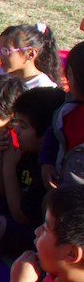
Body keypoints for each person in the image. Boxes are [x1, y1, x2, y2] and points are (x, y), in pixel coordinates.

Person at [0, 87, 66, 261]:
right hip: (15, 204)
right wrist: (2, 159)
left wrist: (10, 166)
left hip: (32, 225)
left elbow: (21, 216)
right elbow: (1, 189)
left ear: (46, 136)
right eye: (17, 123)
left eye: (23, 126)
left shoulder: (47, 168)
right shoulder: (27, 149)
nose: (17, 130)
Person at [40, 41, 84, 191]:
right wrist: (46, 163)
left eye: (69, 75)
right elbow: (53, 134)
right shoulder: (69, 108)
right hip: (60, 190)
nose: (67, 80)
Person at [0, 23, 61, 89]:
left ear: (30, 54)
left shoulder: (44, 88)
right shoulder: (0, 73)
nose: (0, 56)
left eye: (6, 50)